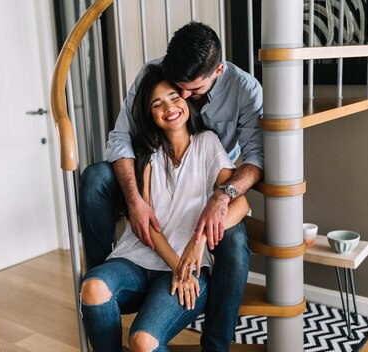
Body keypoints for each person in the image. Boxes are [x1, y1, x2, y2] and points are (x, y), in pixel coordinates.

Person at [79, 22, 263, 350]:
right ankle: (109, 283)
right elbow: (120, 137)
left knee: (233, 241)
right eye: (161, 100)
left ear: (217, 71)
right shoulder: (154, 86)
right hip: (154, 231)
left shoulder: (239, 99)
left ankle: (216, 343)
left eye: (183, 93)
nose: (181, 102)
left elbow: (255, 162)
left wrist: (219, 202)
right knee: (94, 179)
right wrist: (135, 202)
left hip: (215, 187)